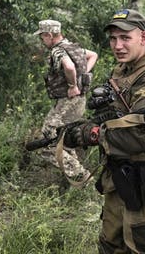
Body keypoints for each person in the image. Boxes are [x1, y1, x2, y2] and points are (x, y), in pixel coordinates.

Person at [63, 9, 145, 253]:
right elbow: (120, 115)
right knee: (110, 246)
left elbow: (144, 136)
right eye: (113, 39)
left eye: (125, 38)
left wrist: (93, 134)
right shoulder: (127, 69)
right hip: (120, 181)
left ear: (143, 37)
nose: (118, 45)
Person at [33, 19, 98, 179]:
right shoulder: (73, 47)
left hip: (67, 103)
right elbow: (93, 55)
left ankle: (81, 177)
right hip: (79, 101)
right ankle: (75, 183)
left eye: (42, 37)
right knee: (65, 141)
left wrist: (72, 85)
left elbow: (68, 67)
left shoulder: (58, 51)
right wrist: (82, 74)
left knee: (47, 143)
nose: (42, 41)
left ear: (49, 35)